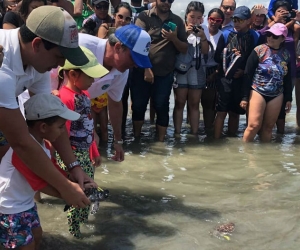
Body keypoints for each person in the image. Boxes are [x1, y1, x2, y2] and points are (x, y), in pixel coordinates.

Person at [0, 5, 95, 209]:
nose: (60, 65)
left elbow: (52, 117)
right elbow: (22, 143)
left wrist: (74, 167)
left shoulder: (38, 64)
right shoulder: (3, 68)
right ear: (36, 44)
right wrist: (65, 188)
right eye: (59, 57)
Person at [0, 93, 82, 250]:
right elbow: (39, 183)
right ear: (43, 127)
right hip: (9, 208)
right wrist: (69, 194)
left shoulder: (43, 145)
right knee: (26, 246)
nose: (62, 131)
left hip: (26, 203)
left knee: (37, 235)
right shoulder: (23, 151)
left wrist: (73, 179)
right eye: (60, 127)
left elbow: (52, 169)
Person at [77, 24, 152, 160]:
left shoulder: (122, 70)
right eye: (134, 59)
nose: (135, 65)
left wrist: (118, 141)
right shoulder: (81, 46)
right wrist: (89, 130)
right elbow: (59, 91)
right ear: (118, 47)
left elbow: (115, 103)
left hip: (76, 112)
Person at [56, 46, 108, 238]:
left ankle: (82, 222)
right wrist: (68, 163)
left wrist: (94, 151)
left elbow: (88, 127)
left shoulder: (85, 95)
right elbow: (61, 133)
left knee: (89, 188)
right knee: (80, 191)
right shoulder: (66, 98)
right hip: (72, 154)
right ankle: (74, 231)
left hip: (85, 153)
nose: (93, 80)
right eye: (90, 76)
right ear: (72, 74)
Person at [131, 0, 187, 141]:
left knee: (162, 106)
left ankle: (161, 143)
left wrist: (174, 39)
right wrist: (146, 68)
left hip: (165, 73)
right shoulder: (144, 17)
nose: (166, 3)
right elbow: (138, 43)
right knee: (138, 106)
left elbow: (184, 48)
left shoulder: (177, 21)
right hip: (141, 71)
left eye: (170, 0)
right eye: (163, 0)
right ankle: (136, 139)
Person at [214, 6, 259, 139]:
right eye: (234, 19)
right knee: (221, 112)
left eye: (240, 20)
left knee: (235, 113)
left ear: (248, 21)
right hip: (225, 78)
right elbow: (217, 57)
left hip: (242, 80)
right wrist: (229, 55)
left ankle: (232, 141)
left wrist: (243, 70)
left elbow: (256, 59)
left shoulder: (255, 36)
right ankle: (216, 141)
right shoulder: (226, 34)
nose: (236, 23)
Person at [242, 23, 292, 142]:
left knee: (268, 128)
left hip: (277, 94)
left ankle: (263, 158)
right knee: (254, 125)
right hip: (257, 90)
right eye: (269, 34)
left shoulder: (286, 55)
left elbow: (287, 79)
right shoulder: (259, 50)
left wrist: (288, 98)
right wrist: (244, 97)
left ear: (283, 39)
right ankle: (244, 156)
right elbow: (247, 74)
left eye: (274, 36)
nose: (270, 38)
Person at [257, 1, 299, 133]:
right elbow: (260, 36)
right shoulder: (269, 27)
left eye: (285, 12)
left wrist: (294, 20)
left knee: (282, 110)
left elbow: (292, 41)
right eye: (279, 12)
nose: (283, 14)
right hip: (267, 72)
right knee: (265, 108)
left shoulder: (295, 29)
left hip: (288, 71)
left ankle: (279, 141)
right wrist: (275, 21)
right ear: (274, 14)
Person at [94, 1, 132, 143]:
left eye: (128, 19)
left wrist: (118, 141)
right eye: (120, 17)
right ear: (114, 16)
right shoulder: (105, 28)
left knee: (119, 101)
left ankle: (113, 139)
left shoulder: (132, 36)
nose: (123, 21)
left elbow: (116, 103)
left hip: (115, 76)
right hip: (97, 74)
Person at [173, 1, 209, 136]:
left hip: (197, 69)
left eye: (198, 17)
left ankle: (194, 135)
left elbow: (205, 52)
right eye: (192, 17)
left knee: (195, 104)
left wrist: (203, 38)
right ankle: (177, 134)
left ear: (202, 18)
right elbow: (176, 49)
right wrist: (186, 35)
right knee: (179, 102)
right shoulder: (180, 28)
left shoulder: (204, 29)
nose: (195, 20)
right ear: (186, 16)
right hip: (181, 68)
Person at [200, 8, 224, 132]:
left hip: (213, 70)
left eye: (218, 20)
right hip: (196, 67)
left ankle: (208, 130)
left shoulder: (222, 36)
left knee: (209, 103)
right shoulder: (200, 29)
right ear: (207, 18)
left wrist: (215, 73)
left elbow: (223, 58)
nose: (214, 22)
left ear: (221, 22)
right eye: (211, 19)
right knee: (192, 102)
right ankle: (192, 129)